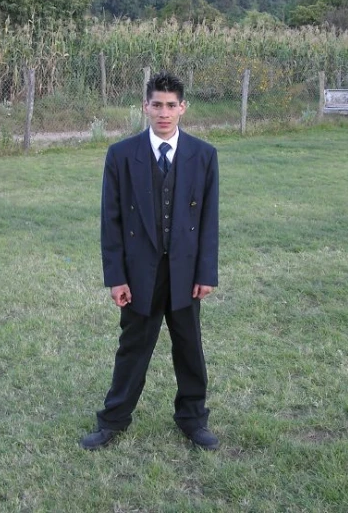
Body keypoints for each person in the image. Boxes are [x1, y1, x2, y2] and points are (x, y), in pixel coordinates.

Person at [81, 71, 219, 451]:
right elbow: (111, 222)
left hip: (186, 273)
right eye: (156, 104)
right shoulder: (122, 156)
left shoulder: (204, 156)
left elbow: (209, 219)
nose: (164, 112)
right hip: (140, 273)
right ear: (145, 107)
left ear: (183, 108)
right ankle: (113, 420)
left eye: (171, 105)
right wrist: (116, 277)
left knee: (189, 347)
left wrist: (206, 272)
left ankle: (192, 419)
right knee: (133, 348)